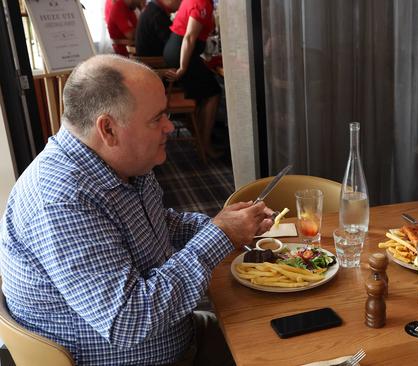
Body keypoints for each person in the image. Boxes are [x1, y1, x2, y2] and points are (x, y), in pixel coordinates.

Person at [0, 55, 273, 365]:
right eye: (157, 118)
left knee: (276, 330)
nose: (170, 126)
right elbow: (130, 321)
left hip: (179, 334)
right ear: (109, 129)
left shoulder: (124, 163)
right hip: (133, 358)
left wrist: (220, 224)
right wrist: (219, 236)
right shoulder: (62, 201)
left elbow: (157, 223)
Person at [163, 0, 222, 159]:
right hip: (181, 53)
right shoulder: (201, 3)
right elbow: (189, 37)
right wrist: (182, 67)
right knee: (214, 92)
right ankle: (205, 144)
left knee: (207, 91)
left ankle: (201, 140)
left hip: (178, 50)